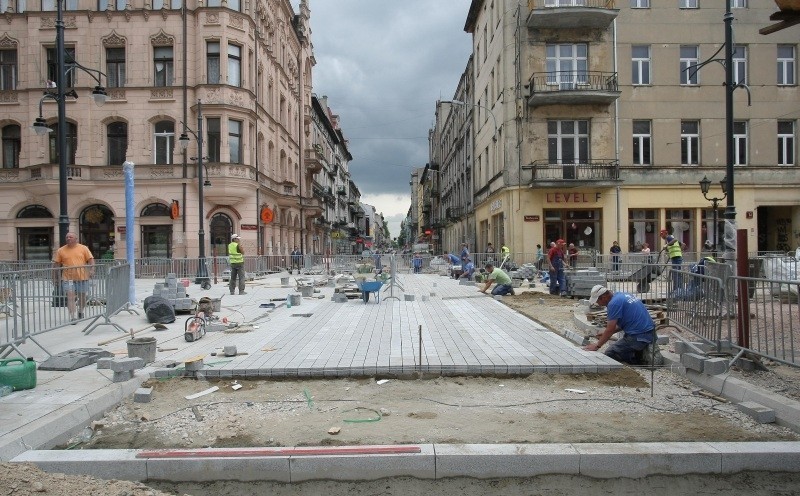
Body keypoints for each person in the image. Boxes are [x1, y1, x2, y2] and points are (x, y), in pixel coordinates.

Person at [583, 285, 656, 365]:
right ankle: (641, 348)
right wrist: (605, 333)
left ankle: (641, 359)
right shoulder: (622, 295)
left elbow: (610, 328)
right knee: (622, 344)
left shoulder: (613, 304)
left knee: (610, 353)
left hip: (638, 336)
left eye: (597, 301)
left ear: (603, 297)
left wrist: (597, 345)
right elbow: (624, 323)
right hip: (650, 332)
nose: (597, 303)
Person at [53, 232, 95, 323]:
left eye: (70, 237)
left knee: (82, 296)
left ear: (76, 239)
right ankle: (73, 317)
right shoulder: (61, 250)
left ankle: (80, 311)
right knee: (70, 297)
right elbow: (56, 264)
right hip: (68, 278)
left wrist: (92, 269)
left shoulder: (83, 248)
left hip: (82, 277)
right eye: (67, 237)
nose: (68, 238)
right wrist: (56, 278)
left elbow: (91, 260)